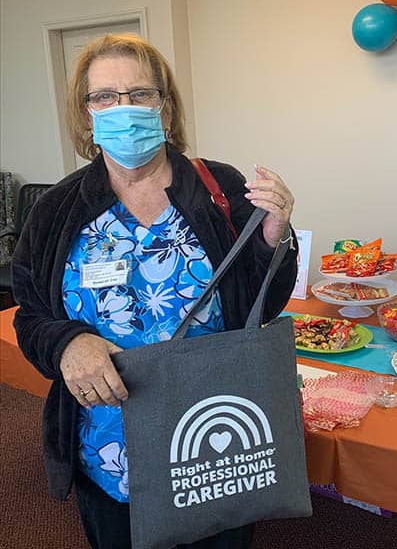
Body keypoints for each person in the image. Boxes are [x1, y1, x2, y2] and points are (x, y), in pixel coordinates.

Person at [12, 33, 298, 549]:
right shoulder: (56, 210)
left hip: (215, 437)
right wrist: (67, 344)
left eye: (140, 94)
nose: (123, 109)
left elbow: (259, 304)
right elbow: (30, 316)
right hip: (109, 445)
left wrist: (275, 238)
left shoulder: (219, 187)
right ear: (86, 115)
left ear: (165, 107)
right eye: (104, 97)